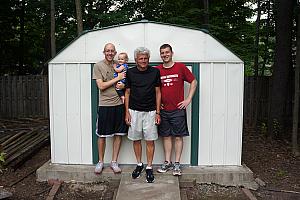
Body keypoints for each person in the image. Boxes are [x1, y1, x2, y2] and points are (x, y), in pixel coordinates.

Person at [156, 44, 197, 176]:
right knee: (166, 136)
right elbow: (152, 88)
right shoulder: (157, 70)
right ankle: (167, 162)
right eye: (162, 53)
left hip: (177, 110)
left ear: (172, 53)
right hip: (163, 110)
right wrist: (156, 105)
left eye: (167, 52)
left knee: (178, 137)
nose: (165, 55)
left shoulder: (180, 67)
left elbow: (193, 81)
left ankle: (177, 164)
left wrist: (188, 99)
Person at [124, 47, 161, 183]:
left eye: (146, 58)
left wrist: (158, 112)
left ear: (148, 59)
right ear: (136, 60)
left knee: (150, 140)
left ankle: (149, 167)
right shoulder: (130, 72)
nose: (143, 61)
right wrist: (126, 112)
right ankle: (139, 164)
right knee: (136, 139)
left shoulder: (155, 72)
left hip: (151, 112)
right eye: (141, 58)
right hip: (134, 111)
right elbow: (127, 93)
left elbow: (158, 92)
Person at [92, 43, 128, 174]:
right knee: (102, 134)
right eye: (108, 51)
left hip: (119, 104)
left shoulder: (119, 65)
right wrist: (117, 78)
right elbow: (101, 86)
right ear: (104, 52)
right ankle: (100, 162)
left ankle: (114, 161)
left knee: (118, 134)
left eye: (112, 51)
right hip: (105, 105)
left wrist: (123, 85)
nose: (110, 53)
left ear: (115, 52)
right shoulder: (98, 66)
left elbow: (126, 81)